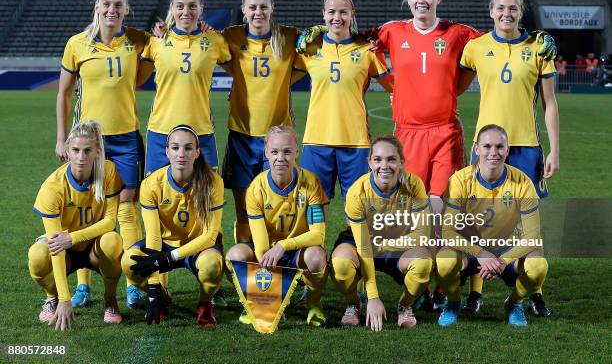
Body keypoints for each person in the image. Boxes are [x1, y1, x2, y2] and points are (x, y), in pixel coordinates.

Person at [460, 0, 558, 316]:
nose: (506, 13)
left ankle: (532, 290)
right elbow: (449, 84)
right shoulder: (475, 47)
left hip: (526, 146)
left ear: (521, 12)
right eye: (500, 8)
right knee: (478, 219)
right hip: (486, 148)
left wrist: (555, 150)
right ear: (490, 12)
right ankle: (475, 290)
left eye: (513, 8)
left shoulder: (539, 48)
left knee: (528, 223)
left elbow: (550, 103)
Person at [57, 0, 150, 309]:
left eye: (118, 5)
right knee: (86, 209)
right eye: (106, 4)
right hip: (88, 141)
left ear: (127, 9)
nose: (112, 10)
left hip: (126, 139)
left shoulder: (137, 42)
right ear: (96, 6)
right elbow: (64, 94)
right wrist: (61, 138)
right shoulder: (77, 44)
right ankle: (82, 285)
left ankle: (133, 282)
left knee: (126, 209)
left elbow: (144, 74)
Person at [436, 124, 548, 327]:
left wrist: (502, 260)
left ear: (507, 150)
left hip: (508, 250)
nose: (493, 153)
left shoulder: (523, 183)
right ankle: (453, 302)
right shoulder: (459, 181)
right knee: (444, 261)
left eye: (499, 146)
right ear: (476, 149)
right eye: (487, 146)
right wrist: (481, 253)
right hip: (471, 250)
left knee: (538, 266)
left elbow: (532, 235)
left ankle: (514, 303)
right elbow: (448, 231)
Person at [221, 0, 305, 244]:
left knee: (280, 207)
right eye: (253, 7)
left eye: (263, 6)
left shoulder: (290, 37)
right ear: (244, 10)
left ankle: (282, 261)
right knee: (244, 210)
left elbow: (301, 68)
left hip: (277, 138)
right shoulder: (231, 37)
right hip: (242, 137)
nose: (258, 12)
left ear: (272, 8)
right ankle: (246, 262)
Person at [296, 0, 393, 207]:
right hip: (316, 139)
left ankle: (358, 242)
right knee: (314, 206)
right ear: (323, 14)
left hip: (355, 141)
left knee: (359, 205)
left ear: (352, 14)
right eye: (331, 12)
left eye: (343, 12)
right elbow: (280, 77)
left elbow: (393, 85)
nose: (336, 17)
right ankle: (315, 242)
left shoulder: (367, 49)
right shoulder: (309, 49)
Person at [121, 124, 225, 327]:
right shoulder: (151, 184)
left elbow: (210, 236)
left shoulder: (213, 182)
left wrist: (169, 258)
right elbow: (153, 237)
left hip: (199, 246)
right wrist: (153, 291)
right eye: (175, 148)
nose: (181, 154)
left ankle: (205, 303)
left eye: (188, 148)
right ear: (167, 151)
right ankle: (162, 296)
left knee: (212, 265)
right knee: (129, 263)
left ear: (197, 152)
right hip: (164, 245)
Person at [225, 126, 328, 326]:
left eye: (287, 151)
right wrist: (275, 296)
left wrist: (283, 246)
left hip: (297, 250)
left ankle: (314, 304)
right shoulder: (256, 189)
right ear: (266, 153)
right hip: (266, 253)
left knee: (316, 257)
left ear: (297, 152)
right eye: (274, 152)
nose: (280, 158)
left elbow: (318, 236)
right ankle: (257, 301)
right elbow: (262, 247)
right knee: (234, 257)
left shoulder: (311, 183)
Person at [330, 135, 433, 331]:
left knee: (423, 263)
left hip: (400, 242)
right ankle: (353, 303)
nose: (384, 165)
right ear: (369, 163)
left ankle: (405, 305)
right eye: (377, 159)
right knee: (341, 264)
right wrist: (373, 297)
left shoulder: (414, 185)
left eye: (391, 159)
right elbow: (363, 246)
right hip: (361, 242)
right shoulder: (357, 192)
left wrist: (384, 246)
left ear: (401, 162)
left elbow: (421, 234)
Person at [29, 120, 124, 331]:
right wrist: (65, 298)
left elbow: (110, 222)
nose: (81, 157)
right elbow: (56, 245)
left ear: (98, 152)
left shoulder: (108, 172)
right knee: (37, 255)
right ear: (67, 151)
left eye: (87, 151)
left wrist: (72, 237)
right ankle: (51, 298)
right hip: (66, 252)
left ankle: (110, 300)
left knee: (113, 241)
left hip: (94, 248)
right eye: (76, 150)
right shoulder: (52, 187)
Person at [140, 0, 231, 176]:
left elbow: (242, 69)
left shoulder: (216, 41)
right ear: (172, 8)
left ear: (201, 8)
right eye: (180, 6)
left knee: (206, 198)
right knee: (157, 197)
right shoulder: (156, 40)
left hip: (201, 131)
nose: (186, 11)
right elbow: (133, 77)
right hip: (161, 131)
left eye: (192, 6)